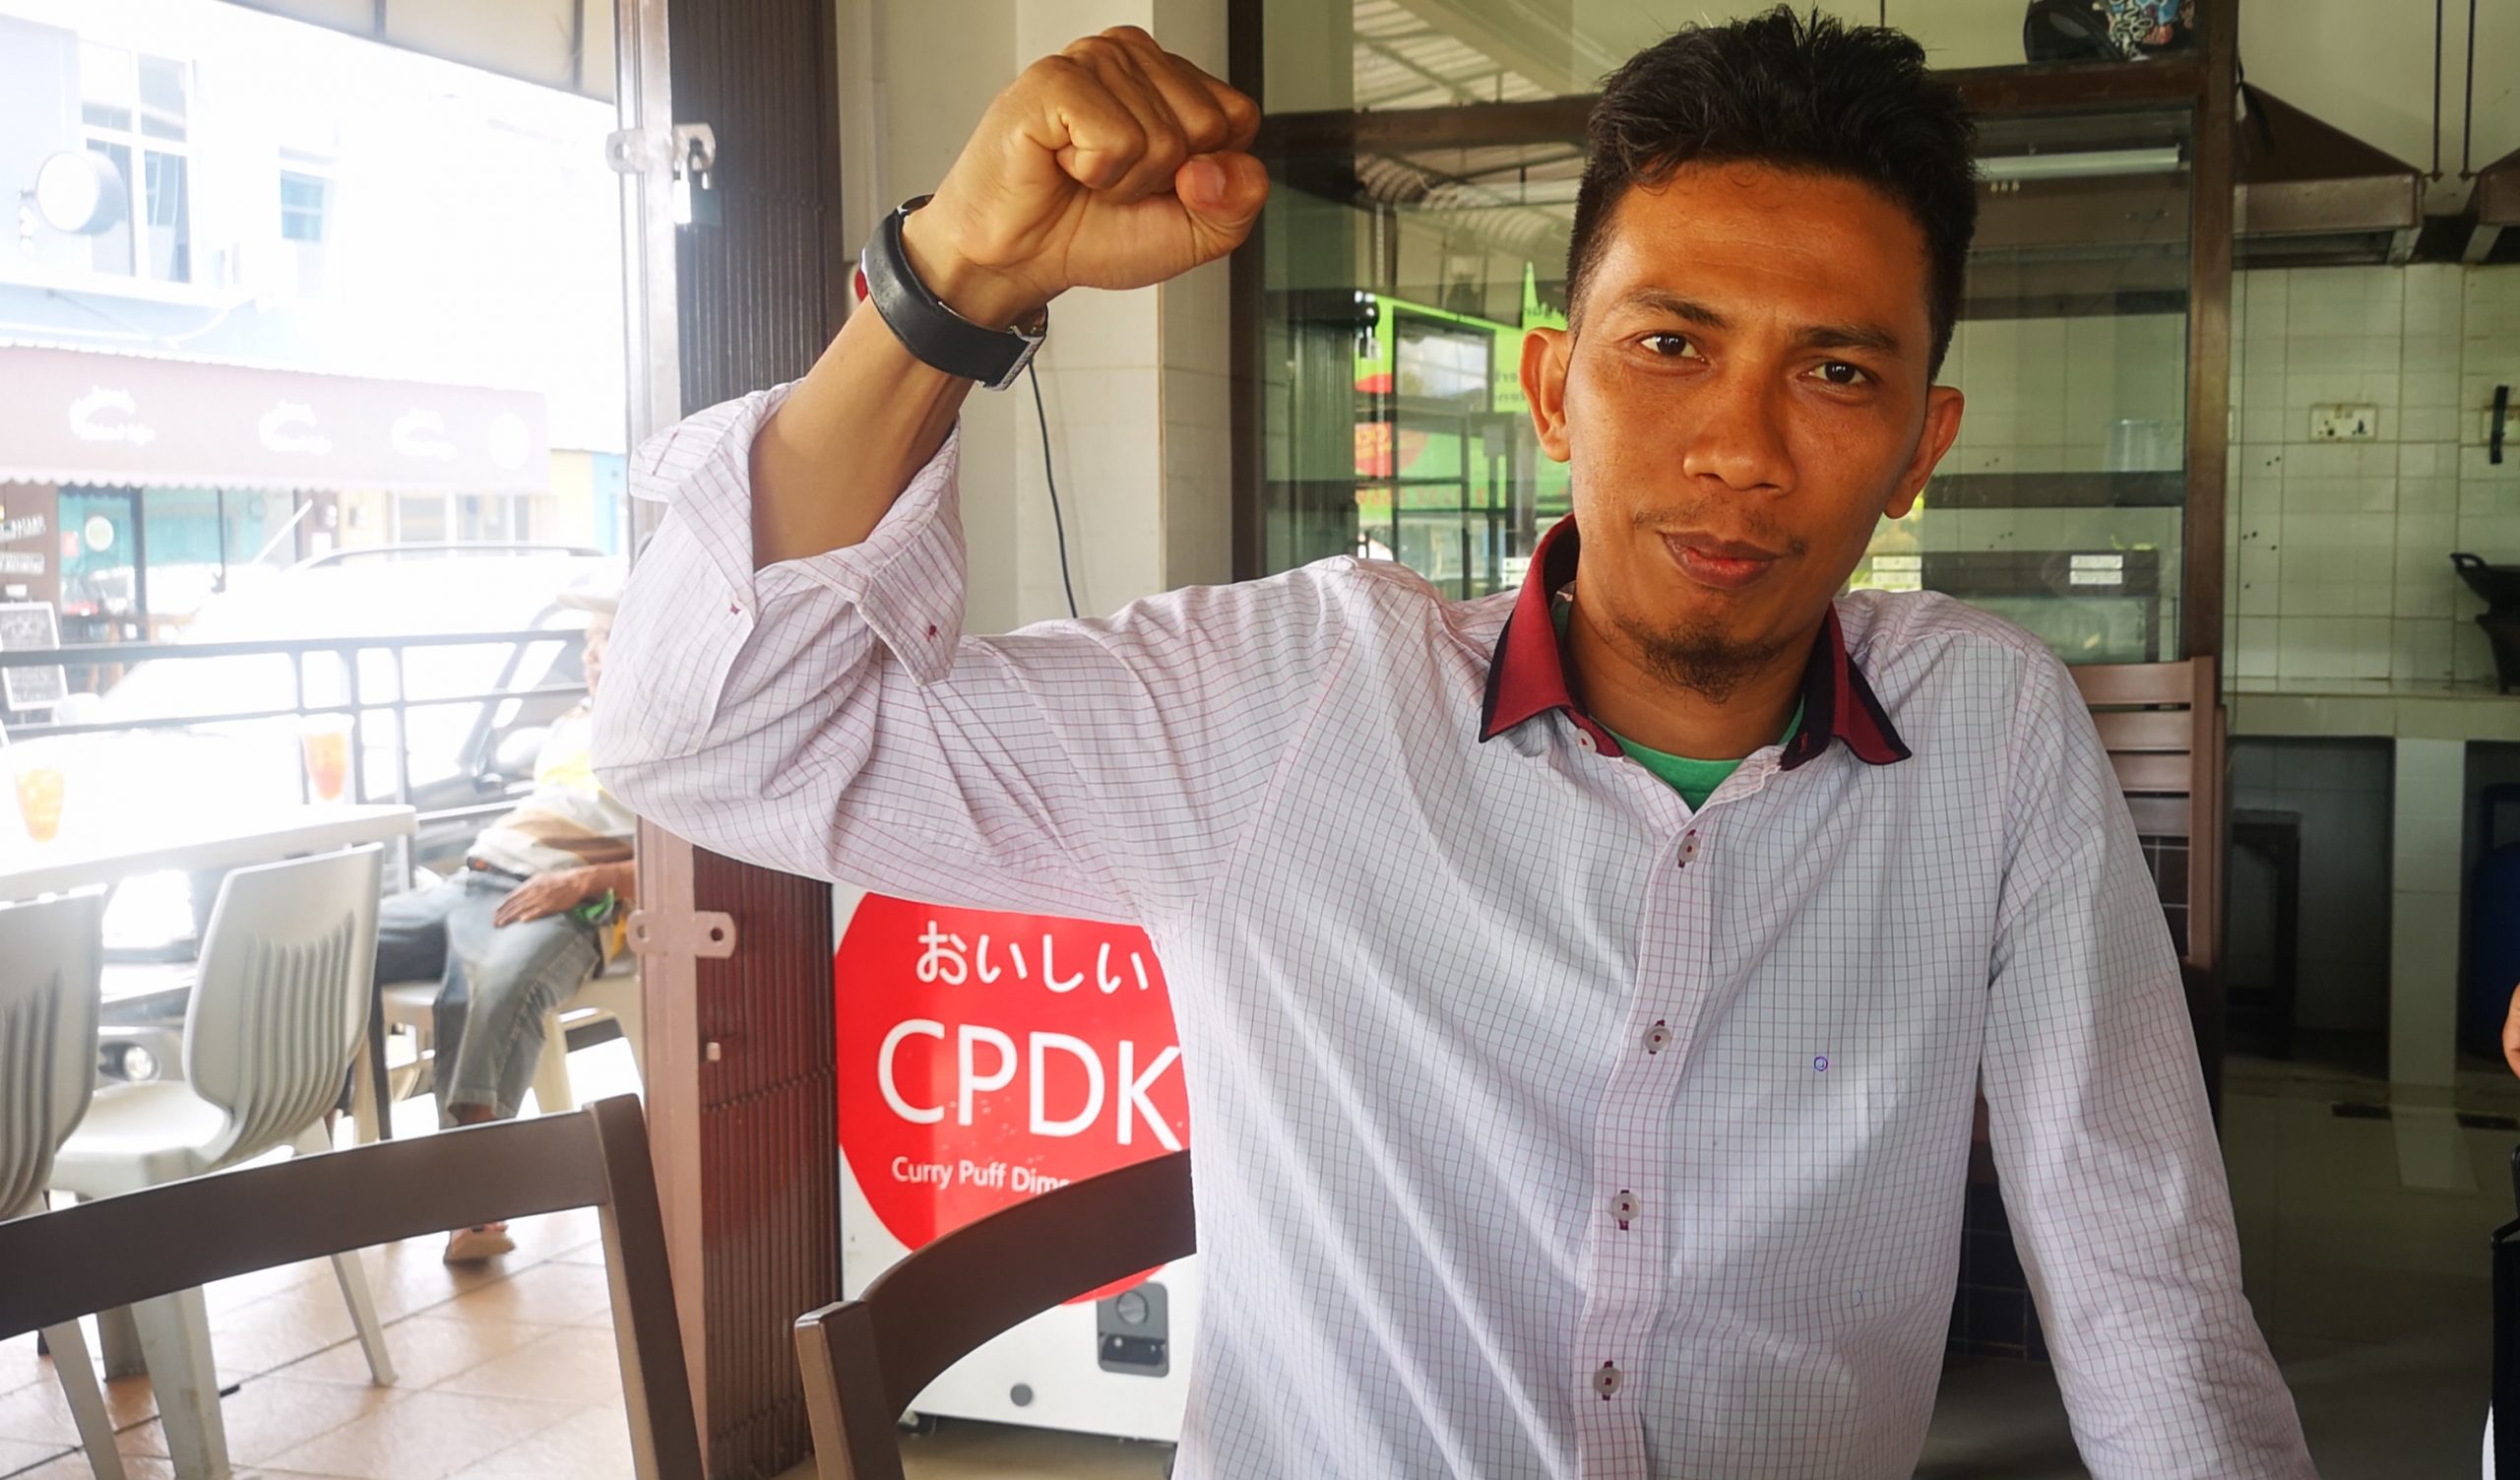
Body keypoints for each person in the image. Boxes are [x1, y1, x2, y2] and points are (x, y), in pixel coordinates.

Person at [595, 12, 2313, 1476]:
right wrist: (949, 283)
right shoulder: (1285, 703)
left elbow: (2142, 1275)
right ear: (1556, 387)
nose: (1739, 447)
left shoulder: (1992, 734)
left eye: (1837, 374)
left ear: (1920, 445)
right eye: (1670, 344)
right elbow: (706, 738)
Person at [378, 578, 634, 1262]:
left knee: (489, 987)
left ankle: (475, 1202)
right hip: (475, 877)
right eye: (587, 640)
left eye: (604, 639)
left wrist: (588, 881)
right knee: (334, 947)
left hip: (566, 898)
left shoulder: (666, 736)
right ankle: (315, 1153)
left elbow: (690, 862)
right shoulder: (573, 721)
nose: (589, 654)